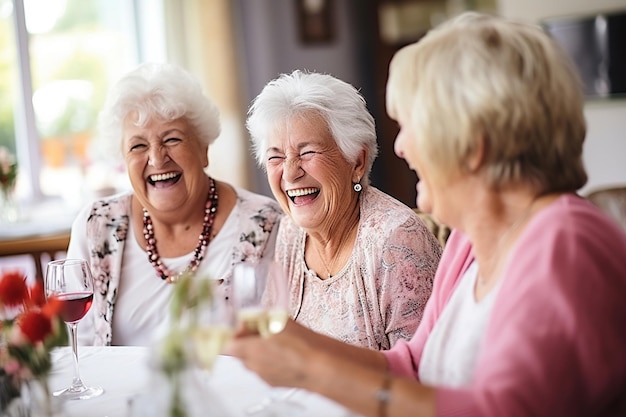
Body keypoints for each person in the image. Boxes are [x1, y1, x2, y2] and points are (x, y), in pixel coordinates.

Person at [227, 12, 626, 416]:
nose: (399, 147)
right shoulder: (471, 240)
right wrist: (296, 344)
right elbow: (412, 366)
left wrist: (310, 370)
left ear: (474, 144)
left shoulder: (567, 245)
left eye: (412, 125)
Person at [67, 63, 283, 346]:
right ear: (123, 159)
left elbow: (280, 340)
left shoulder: (266, 224)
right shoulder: (95, 227)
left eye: (172, 139)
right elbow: (80, 348)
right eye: (138, 146)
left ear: (204, 150)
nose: (157, 159)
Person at [245, 70, 442, 350]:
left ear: (357, 162)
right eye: (276, 156)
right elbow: (270, 345)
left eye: (307, 152)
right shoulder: (290, 231)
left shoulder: (396, 241)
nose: (289, 174)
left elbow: (421, 375)